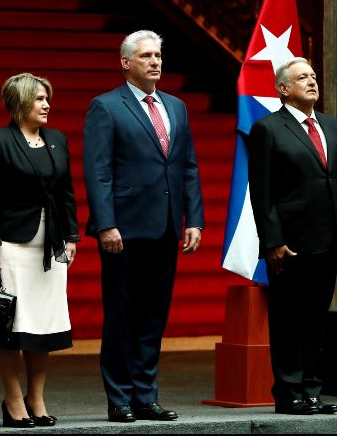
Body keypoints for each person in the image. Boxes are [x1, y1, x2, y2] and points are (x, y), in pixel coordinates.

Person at [82, 30, 205, 423]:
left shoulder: (177, 107)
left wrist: (194, 219)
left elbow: (187, 166)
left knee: (153, 316)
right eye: (146, 56)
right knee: (122, 315)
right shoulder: (106, 106)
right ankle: (118, 398)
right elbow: (98, 171)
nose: (155, 61)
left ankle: (145, 396)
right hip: (124, 230)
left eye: (158, 55)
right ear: (126, 63)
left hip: (167, 227)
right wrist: (105, 224)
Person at [248, 57, 337, 416]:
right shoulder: (268, 128)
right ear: (283, 88)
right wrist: (273, 241)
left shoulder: (330, 125)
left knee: (315, 319)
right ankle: (288, 391)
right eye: (302, 77)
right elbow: (261, 192)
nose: (312, 81)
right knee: (288, 319)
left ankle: (311, 390)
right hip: (290, 242)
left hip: (327, 239)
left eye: (313, 75)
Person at [0, 72, 80, 428]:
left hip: (49, 247)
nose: (47, 104)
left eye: (46, 98)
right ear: (20, 103)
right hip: (9, 246)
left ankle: (37, 398)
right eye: (39, 99)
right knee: (12, 327)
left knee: (44, 326)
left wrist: (71, 237)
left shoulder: (57, 140)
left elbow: (65, 193)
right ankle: (13, 400)